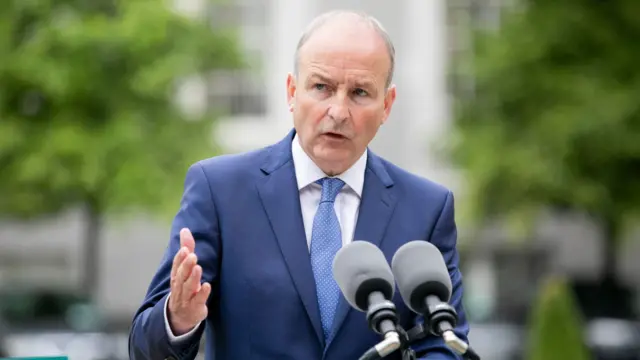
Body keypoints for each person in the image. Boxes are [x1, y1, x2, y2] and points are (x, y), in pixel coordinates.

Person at [129, 10, 470, 360]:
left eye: (360, 92)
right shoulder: (220, 191)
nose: (338, 111)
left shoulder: (427, 208)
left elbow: (445, 344)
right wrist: (178, 318)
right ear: (292, 92)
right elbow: (144, 349)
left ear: (387, 105)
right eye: (321, 87)